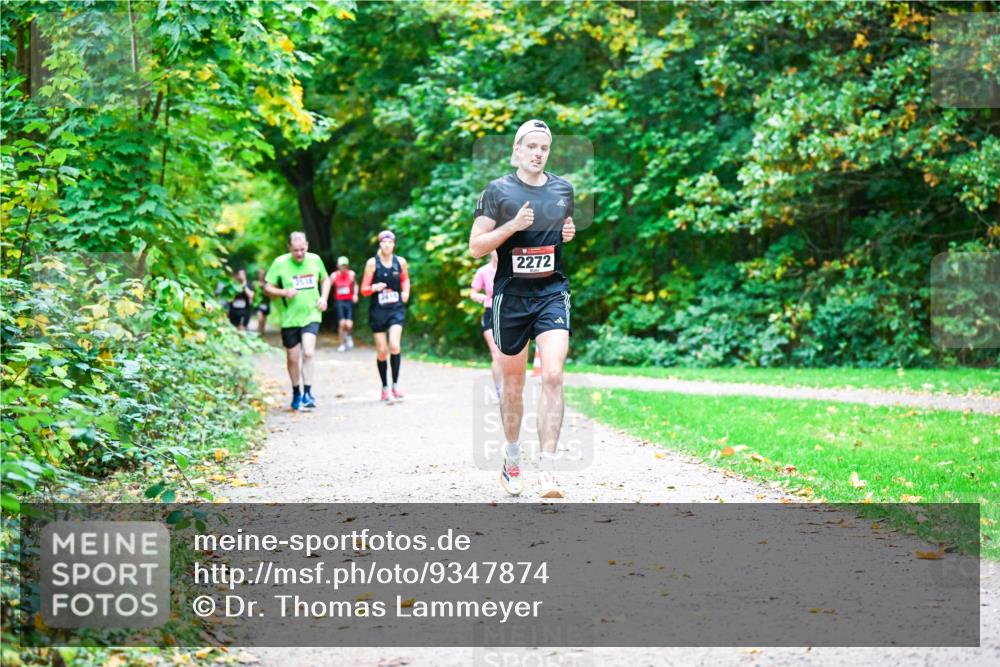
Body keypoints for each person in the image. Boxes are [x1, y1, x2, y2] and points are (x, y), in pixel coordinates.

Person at [468, 119, 577, 498]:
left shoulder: (564, 188)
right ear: (516, 150)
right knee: (513, 385)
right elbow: (477, 246)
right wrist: (512, 226)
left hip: (551, 291)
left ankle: (548, 469)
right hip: (510, 298)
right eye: (530, 146)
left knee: (552, 375)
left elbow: (561, 229)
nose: (537, 153)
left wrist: (568, 232)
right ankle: (512, 458)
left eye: (543, 148)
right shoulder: (496, 192)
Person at [263, 232, 331, 411]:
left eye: (302, 249)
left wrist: (324, 298)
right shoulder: (280, 263)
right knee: (293, 358)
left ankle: (308, 392)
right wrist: (284, 292)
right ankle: (296, 392)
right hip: (289, 318)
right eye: (295, 251)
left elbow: (326, 279)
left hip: (312, 314)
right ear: (289, 248)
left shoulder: (315, 260)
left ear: (307, 245)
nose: (299, 254)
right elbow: (268, 287)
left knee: (308, 352)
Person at [360, 230, 410, 402]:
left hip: (396, 308)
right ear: (380, 244)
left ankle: (395, 385)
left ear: (394, 244)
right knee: (382, 351)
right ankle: (384, 387)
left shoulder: (400, 262)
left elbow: (405, 279)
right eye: (384, 242)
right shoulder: (372, 263)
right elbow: (364, 290)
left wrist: (405, 292)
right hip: (378, 310)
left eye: (390, 242)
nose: (387, 245)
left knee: (394, 345)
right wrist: (374, 287)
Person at [470, 250, 502, 397]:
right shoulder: (483, 271)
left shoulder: (512, 269)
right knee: (496, 354)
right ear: (491, 252)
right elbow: (473, 292)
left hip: (508, 313)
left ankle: (511, 385)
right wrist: (480, 297)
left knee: (509, 354)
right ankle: (499, 389)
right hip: (490, 313)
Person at [333, 256, 359, 352]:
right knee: (342, 323)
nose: (343, 267)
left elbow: (356, 285)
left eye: (345, 265)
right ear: (338, 266)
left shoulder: (352, 274)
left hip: (349, 301)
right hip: (339, 301)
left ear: (347, 266)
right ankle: (342, 344)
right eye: (341, 265)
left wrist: (355, 294)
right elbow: (327, 285)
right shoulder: (334, 276)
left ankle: (348, 335)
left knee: (349, 325)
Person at [254, 268, 271, 336]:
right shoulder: (255, 283)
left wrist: (264, 287)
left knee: (263, 320)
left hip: (266, 304)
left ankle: (262, 333)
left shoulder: (268, 285)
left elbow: (270, 295)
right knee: (260, 318)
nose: (262, 275)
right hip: (258, 304)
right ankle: (259, 332)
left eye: (263, 274)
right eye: (260, 274)